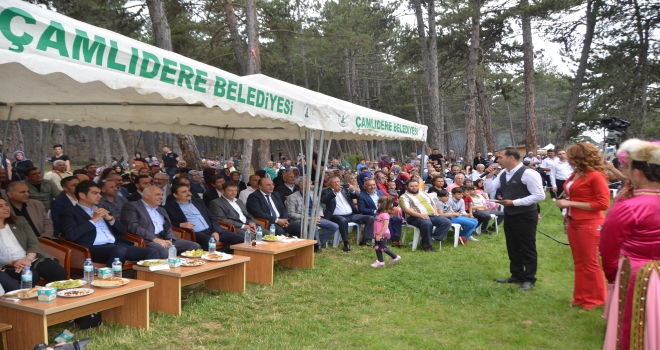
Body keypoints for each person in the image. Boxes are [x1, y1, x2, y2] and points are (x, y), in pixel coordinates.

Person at [600, 139, 660, 350]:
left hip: (637, 273)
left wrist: (612, 277)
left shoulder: (628, 206)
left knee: (634, 328)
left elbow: (607, 249)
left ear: (638, 173)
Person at [552, 143, 610, 310]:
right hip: (574, 221)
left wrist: (570, 203)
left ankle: (595, 299)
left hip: (590, 223)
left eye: (570, 156)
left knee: (590, 262)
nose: (567, 158)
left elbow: (603, 203)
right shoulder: (577, 173)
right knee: (579, 261)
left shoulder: (596, 176)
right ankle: (580, 297)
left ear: (580, 157)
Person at [485, 147, 545, 291]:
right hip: (510, 214)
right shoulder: (504, 173)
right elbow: (489, 189)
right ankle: (516, 274)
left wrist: (514, 202)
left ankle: (529, 278)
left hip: (525, 215)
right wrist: (489, 175)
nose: (497, 160)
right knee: (512, 246)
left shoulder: (528, 173)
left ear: (511, 158)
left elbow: (539, 195)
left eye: (500, 157)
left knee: (527, 247)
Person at [60, 180, 160, 266]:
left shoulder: (102, 210)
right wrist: (93, 220)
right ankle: (110, 280)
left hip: (115, 245)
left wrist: (110, 219)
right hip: (92, 249)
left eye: (99, 193)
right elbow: (71, 235)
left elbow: (122, 231)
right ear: (82, 195)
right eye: (95, 193)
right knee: (119, 250)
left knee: (152, 252)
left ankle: (151, 283)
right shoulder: (69, 213)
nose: (99, 196)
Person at [0, 198, 66, 286]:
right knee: (30, 276)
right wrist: (13, 263)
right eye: (1, 206)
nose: (6, 208)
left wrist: (27, 260)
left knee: (58, 272)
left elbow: (34, 243)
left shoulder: (19, 221)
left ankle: (56, 298)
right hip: (8, 264)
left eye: (6, 205)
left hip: (31, 257)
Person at [121, 186, 200, 258]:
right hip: (146, 239)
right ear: (146, 195)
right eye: (158, 195)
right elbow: (132, 226)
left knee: (194, 246)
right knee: (165, 253)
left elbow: (168, 226)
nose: (161, 197)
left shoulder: (161, 209)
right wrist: (155, 239)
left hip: (163, 238)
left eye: (162, 195)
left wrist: (170, 239)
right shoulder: (131, 206)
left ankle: (184, 270)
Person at [165, 183, 242, 252]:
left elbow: (211, 217)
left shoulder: (198, 201)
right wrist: (180, 225)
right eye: (184, 192)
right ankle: (209, 260)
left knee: (240, 239)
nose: (188, 193)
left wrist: (216, 231)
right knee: (209, 241)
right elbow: (166, 225)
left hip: (211, 229)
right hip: (195, 233)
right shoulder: (169, 207)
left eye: (188, 190)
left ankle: (222, 254)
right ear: (175, 195)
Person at [321, 176, 375, 252]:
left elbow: (357, 196)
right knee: (343, 221)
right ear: (330, 184)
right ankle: (346, 243)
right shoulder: (326, 192)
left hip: (351, 214)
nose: (337, 184)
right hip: (336, 216)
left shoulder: (344, 189)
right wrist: (334, 192)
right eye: (334, 182)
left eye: (338, 181)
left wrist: (353, 190)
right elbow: (323, 200)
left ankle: (365, 240)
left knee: (370, 218)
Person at [285, 178, 339, 253]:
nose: (311, 185)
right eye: (309, 183)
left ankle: (317, 241)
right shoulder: (292, 197)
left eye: (311, 183)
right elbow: (291, 214)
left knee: (334, 226)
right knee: (313, 225)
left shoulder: (312, 194)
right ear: (301, 186)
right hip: (301, 220)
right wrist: (309, 218)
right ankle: (317, 246)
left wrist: (319, 216)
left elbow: (319, 207)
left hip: (315, 218)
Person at [399, 179, 451, 252]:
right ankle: (427, 246)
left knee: (446, 222)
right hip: (414, 217)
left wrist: (435, 211)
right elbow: (406, 210)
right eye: (412, 186)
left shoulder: (423, 193)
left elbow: (433, 203)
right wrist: (420, 215)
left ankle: (431, 239)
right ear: (406, 187)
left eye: (416, 186)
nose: (414, 188)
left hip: (431, 215)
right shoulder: (404, 197)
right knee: (427, 223)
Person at [370, 196, 401, 267]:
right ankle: (380, 261)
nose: (378, 204)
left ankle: (395, 257)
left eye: (379, 203)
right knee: (377, 247)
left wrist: (380, 235)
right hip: (377, 233)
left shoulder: (385, 215)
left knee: (383, 248)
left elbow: (385, 226)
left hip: (383, 234)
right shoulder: (379, 213)